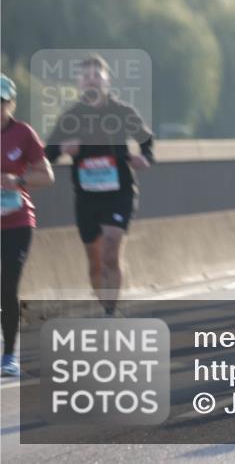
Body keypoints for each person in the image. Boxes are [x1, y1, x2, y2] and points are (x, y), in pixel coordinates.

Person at [44, 54, 154, 317]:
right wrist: (63, 147)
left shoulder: (122, 112)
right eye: (86, 76)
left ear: (107, 80)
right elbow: (46, 153)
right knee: (95, 263)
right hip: (87, 196)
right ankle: (104, 305)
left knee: (111, 251)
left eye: (96, 75)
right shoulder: (71, 117)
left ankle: (110, 313)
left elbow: (147, 141)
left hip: (120, 192)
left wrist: (145, 158)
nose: (91, 80)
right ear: (79, 83)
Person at [1, 75, 55, 376]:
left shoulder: (23, 133)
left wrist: (18, 180)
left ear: (10, 103)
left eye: (0, 102)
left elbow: (46, 175)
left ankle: (9, 355)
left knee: (7, 285)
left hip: (17, 222)